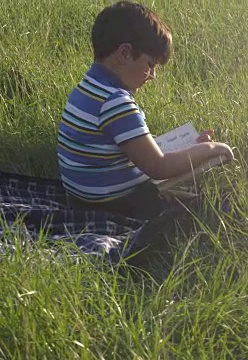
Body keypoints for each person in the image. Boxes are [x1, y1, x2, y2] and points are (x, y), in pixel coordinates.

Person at [57, 1, 234, 220]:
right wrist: (209, 149)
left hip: (80, 200)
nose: (152, 75)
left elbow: (129, 145)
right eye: (150, 64)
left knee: (181, 197)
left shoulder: (87, 88)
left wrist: (191, 148)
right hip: (116, 206)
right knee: (209, 210)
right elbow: (159, 167)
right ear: (124, 54)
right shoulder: (117, 102)